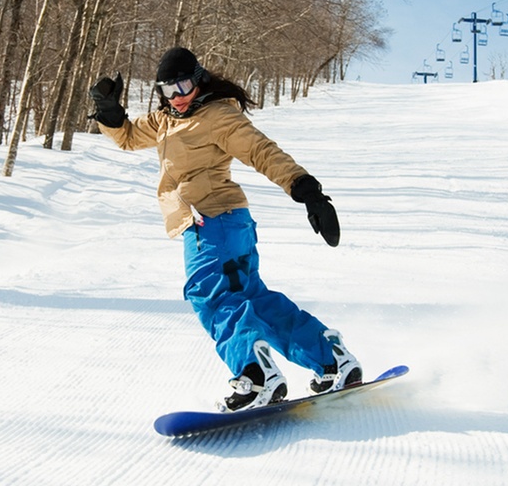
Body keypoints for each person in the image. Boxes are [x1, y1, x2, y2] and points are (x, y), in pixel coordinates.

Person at [91, 47, 360, 411]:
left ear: (199, 79)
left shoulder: (218, 116)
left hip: (210, 223)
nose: (178, 96)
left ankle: (255, 376)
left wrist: (306, 189)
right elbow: (126, 137)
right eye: (167, 90)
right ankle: (332, 360)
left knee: (211, 297)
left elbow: (261, 151)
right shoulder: (165, 120)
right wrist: (109, 111)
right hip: (228, 223)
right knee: (254, 300)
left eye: (183, 86)